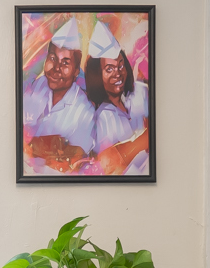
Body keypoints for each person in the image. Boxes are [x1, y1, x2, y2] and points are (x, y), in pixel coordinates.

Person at [22, 17, 99, 172]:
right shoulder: (37, 86)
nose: (56, 68)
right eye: (52, 58)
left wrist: (33, 146)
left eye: (65, 63)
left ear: (77, 71)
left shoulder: (85, 113)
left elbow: (73, 162)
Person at [84, 19, 150, 175]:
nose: (118, 73)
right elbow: (110, 166)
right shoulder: (103, 119)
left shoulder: (135, 99)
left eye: (120, 65)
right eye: (109, 69)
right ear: (97, 76)